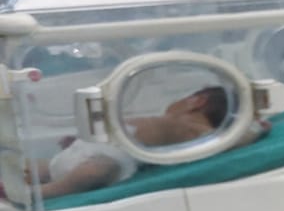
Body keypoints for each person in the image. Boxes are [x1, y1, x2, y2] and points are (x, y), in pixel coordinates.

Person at [35, 85, 251, 200]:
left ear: (197, 101)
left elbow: (238, 138)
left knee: (93, 172)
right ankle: (24, 178)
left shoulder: (202, 131)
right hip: (95, 146)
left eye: (183, 97)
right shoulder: (191, 129)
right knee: (46, 166)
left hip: (112, 157)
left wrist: (252, 127)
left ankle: (44, 192)